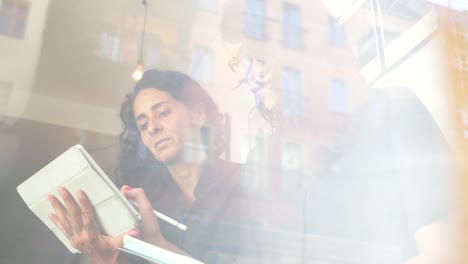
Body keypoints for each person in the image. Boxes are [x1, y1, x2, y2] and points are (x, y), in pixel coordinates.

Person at [47, 69, 243, 264]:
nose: (152, 128)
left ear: (198, 114)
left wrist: (155, 243)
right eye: (143, 125)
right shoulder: (144, 209)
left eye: (163, 112)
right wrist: (105, 259)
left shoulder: (244, 182)